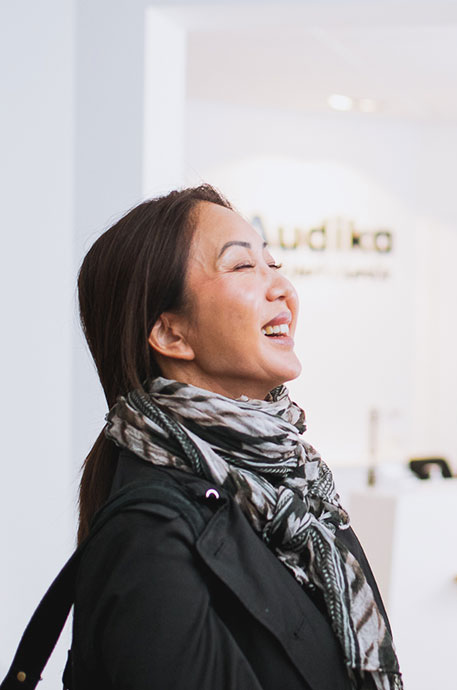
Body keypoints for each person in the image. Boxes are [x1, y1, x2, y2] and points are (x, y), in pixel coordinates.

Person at [60, 185, 403, 689]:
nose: (282, 288)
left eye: (273, 263)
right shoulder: (149, 537)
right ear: (171, 335)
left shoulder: (292, 487)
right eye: (243, 267)